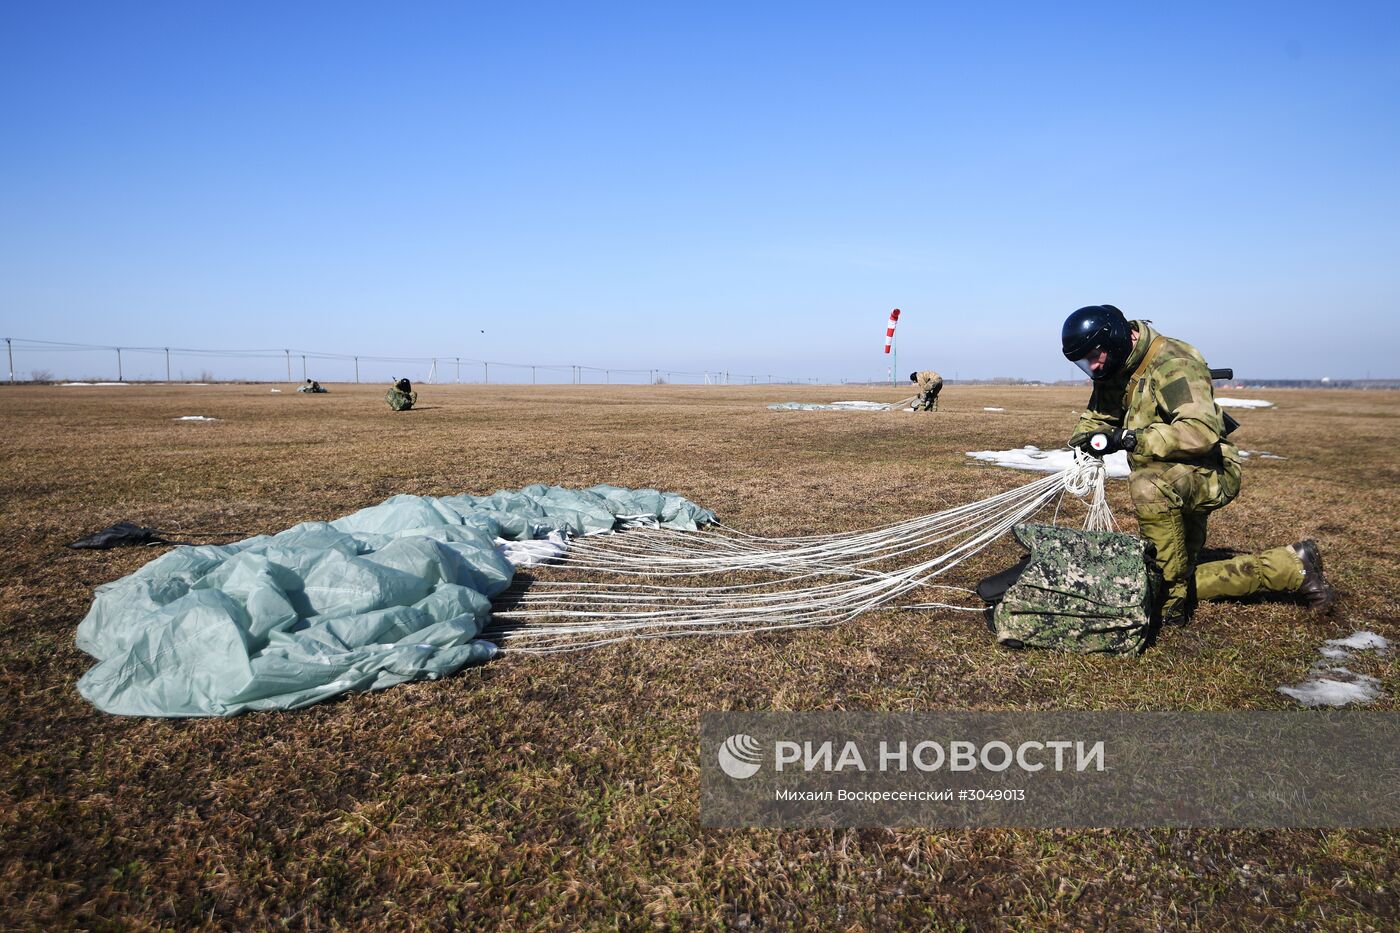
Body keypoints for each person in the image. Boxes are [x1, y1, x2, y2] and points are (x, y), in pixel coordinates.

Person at [1062, 304, 1334, 626]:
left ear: (1118, 338)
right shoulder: (1113, 365)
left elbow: (1200, 432)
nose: (1092, 365)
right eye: (1084, 362)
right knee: (1180, 574)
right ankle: (1292, 566)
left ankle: (1169, 607)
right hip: (1172, 474)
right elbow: (1098, 416)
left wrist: (1131, 439)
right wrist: (1084, 440)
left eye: (1094, 355)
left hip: (1207, 471)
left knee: (1149, 493)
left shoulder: (1173, 364)